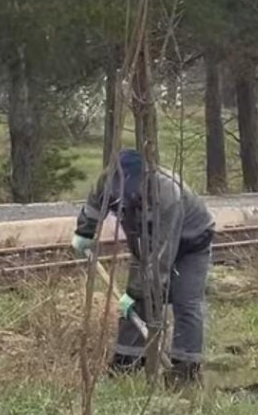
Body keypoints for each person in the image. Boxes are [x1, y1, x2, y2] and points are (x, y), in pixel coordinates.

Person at [72, 149, 215, 387]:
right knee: (135, 304)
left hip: (191, 243)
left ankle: (186, 370)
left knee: (185, 302)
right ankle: (126, 363)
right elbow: (94, 208)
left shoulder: (168, 193)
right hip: (145, 242)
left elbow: (161, 257)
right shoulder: (108, 181)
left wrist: (138, 291)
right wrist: (84, 232)